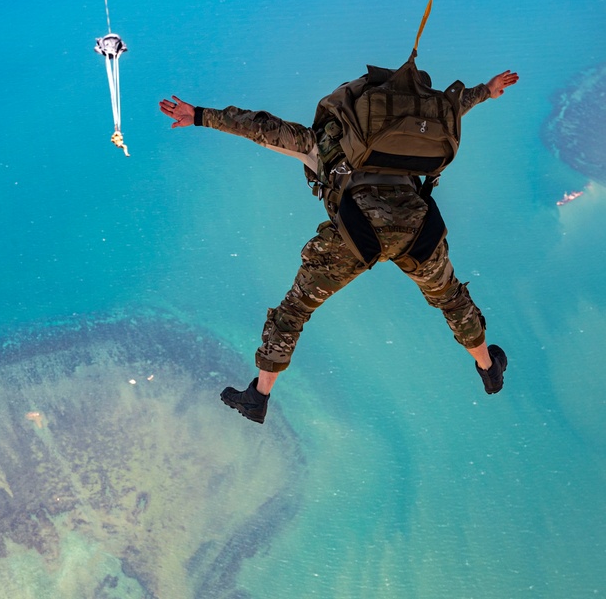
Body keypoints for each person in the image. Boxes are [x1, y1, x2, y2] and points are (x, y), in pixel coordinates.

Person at [159, 68, 519, 424]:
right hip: (417, 228)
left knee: (295, 310)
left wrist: (202, 116)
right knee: (451, 299)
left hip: (357, 230)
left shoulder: (320, 141)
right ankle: (488, 368)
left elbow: (260, 127)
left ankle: (259, 395)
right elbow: (449, 110)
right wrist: (486, 91)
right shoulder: (401, 138)